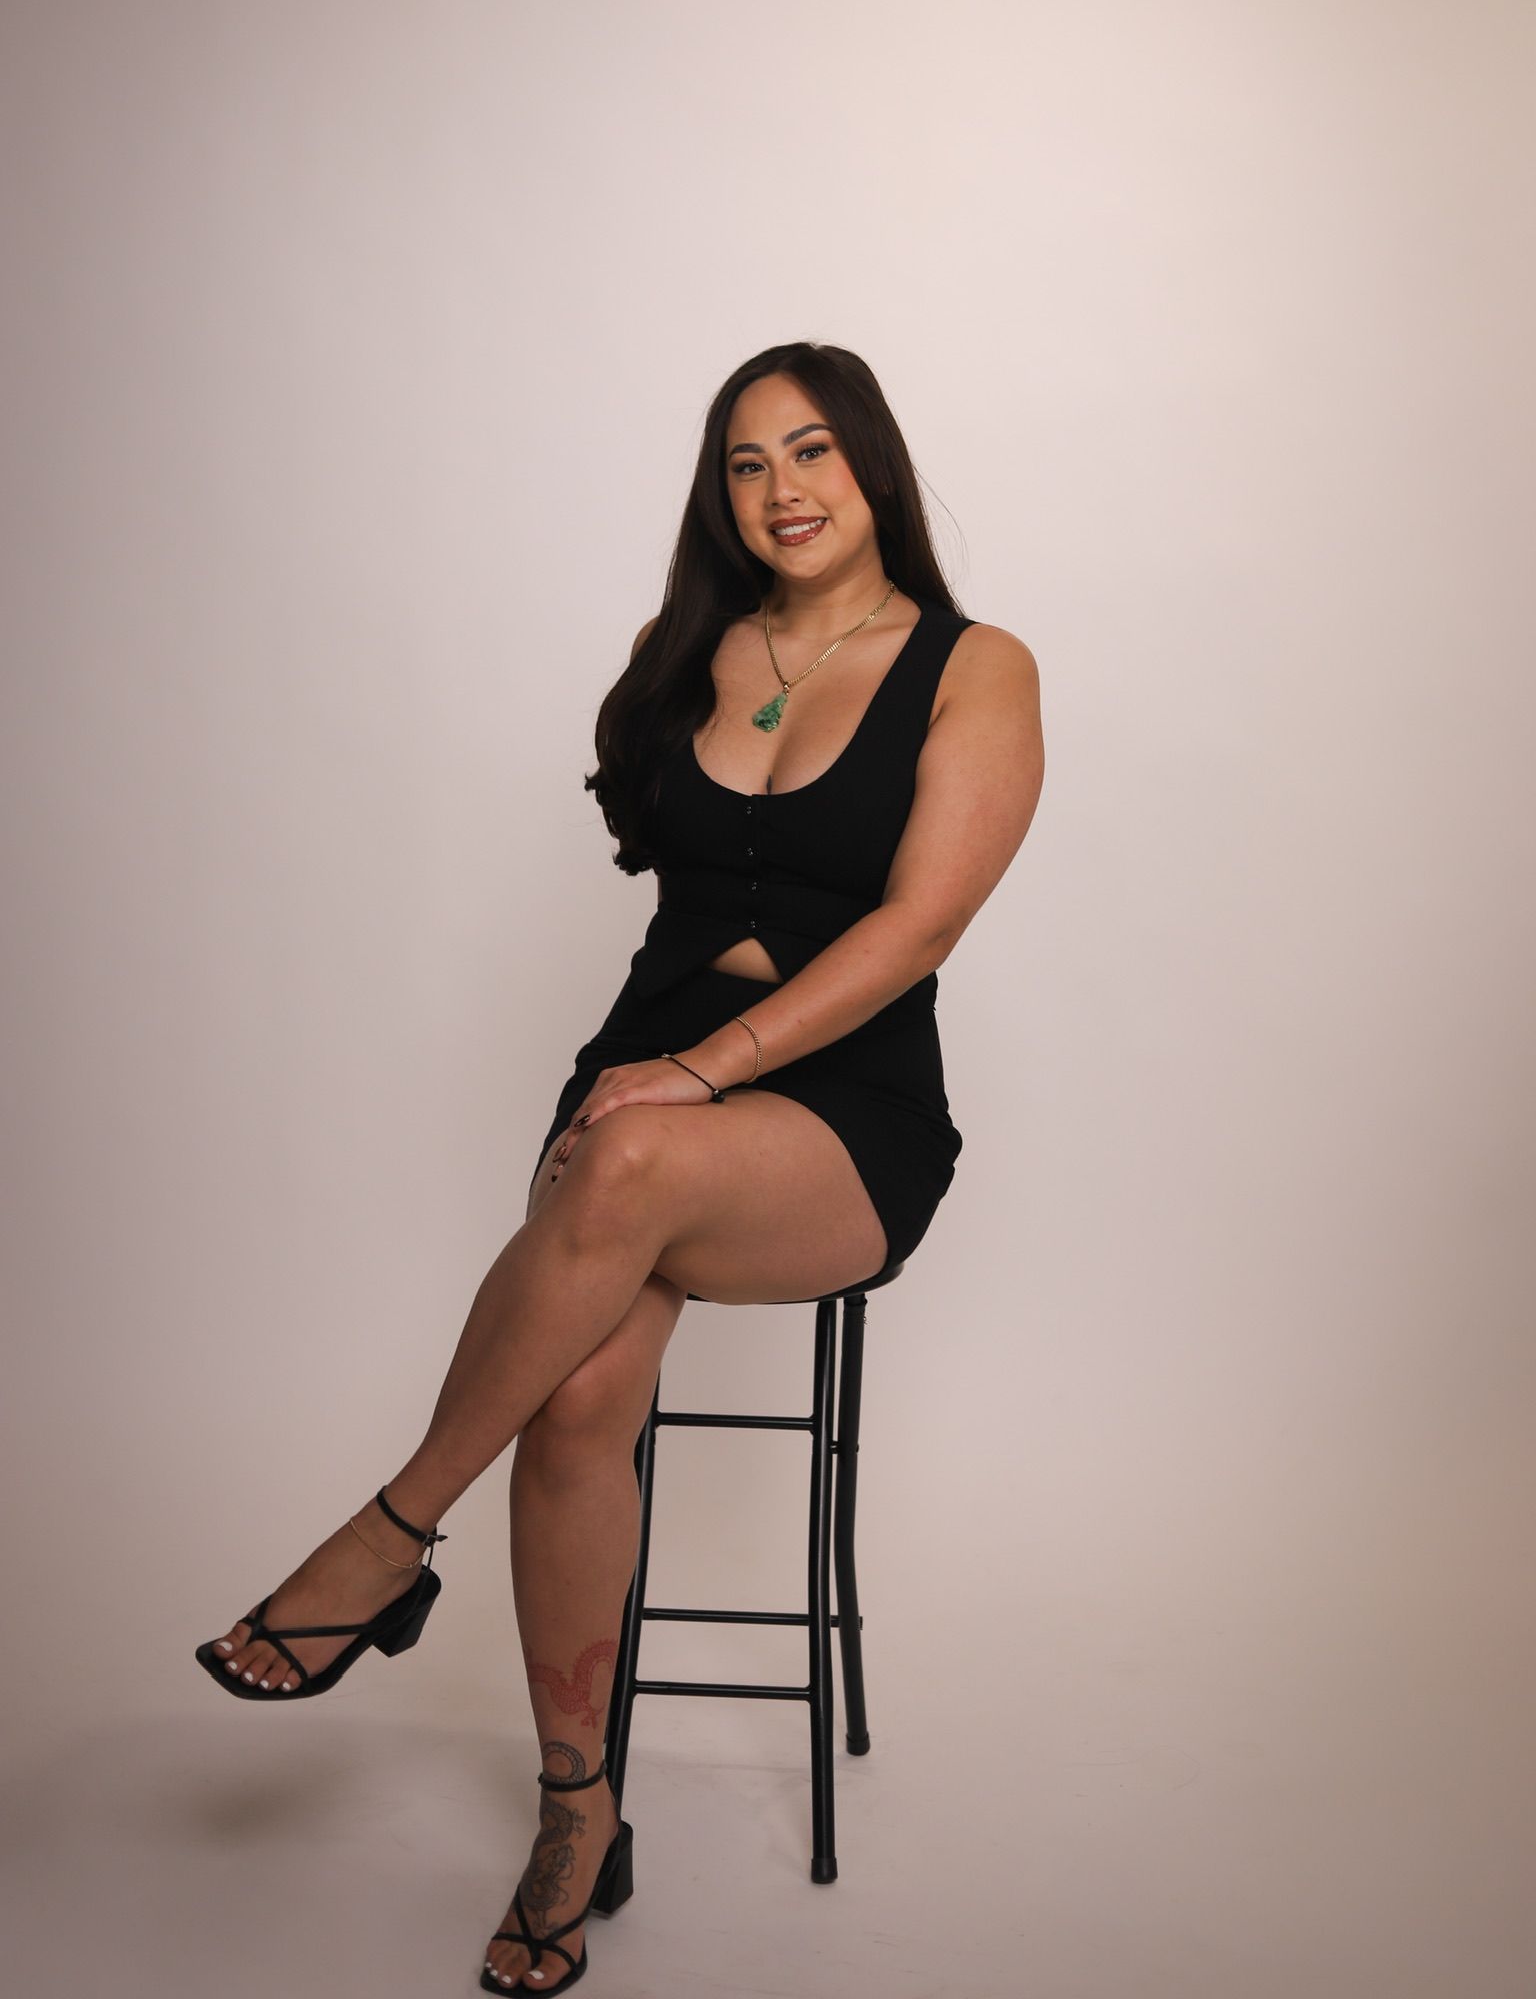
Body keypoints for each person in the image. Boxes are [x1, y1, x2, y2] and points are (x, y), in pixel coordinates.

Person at [195, 340, 1045, 1994]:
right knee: (582, 1400)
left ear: (874, 470)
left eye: (812, 452)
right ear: (718, 493)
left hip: (842, 1115)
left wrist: (704, 1068)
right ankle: (578, 1813)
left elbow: (920, 922)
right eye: (746, 462)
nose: (783, 489)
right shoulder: (687, 654)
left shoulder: (973, 664)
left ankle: (386, 1537)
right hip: (636, 1096)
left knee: (635, 1157)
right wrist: (654, 1076)